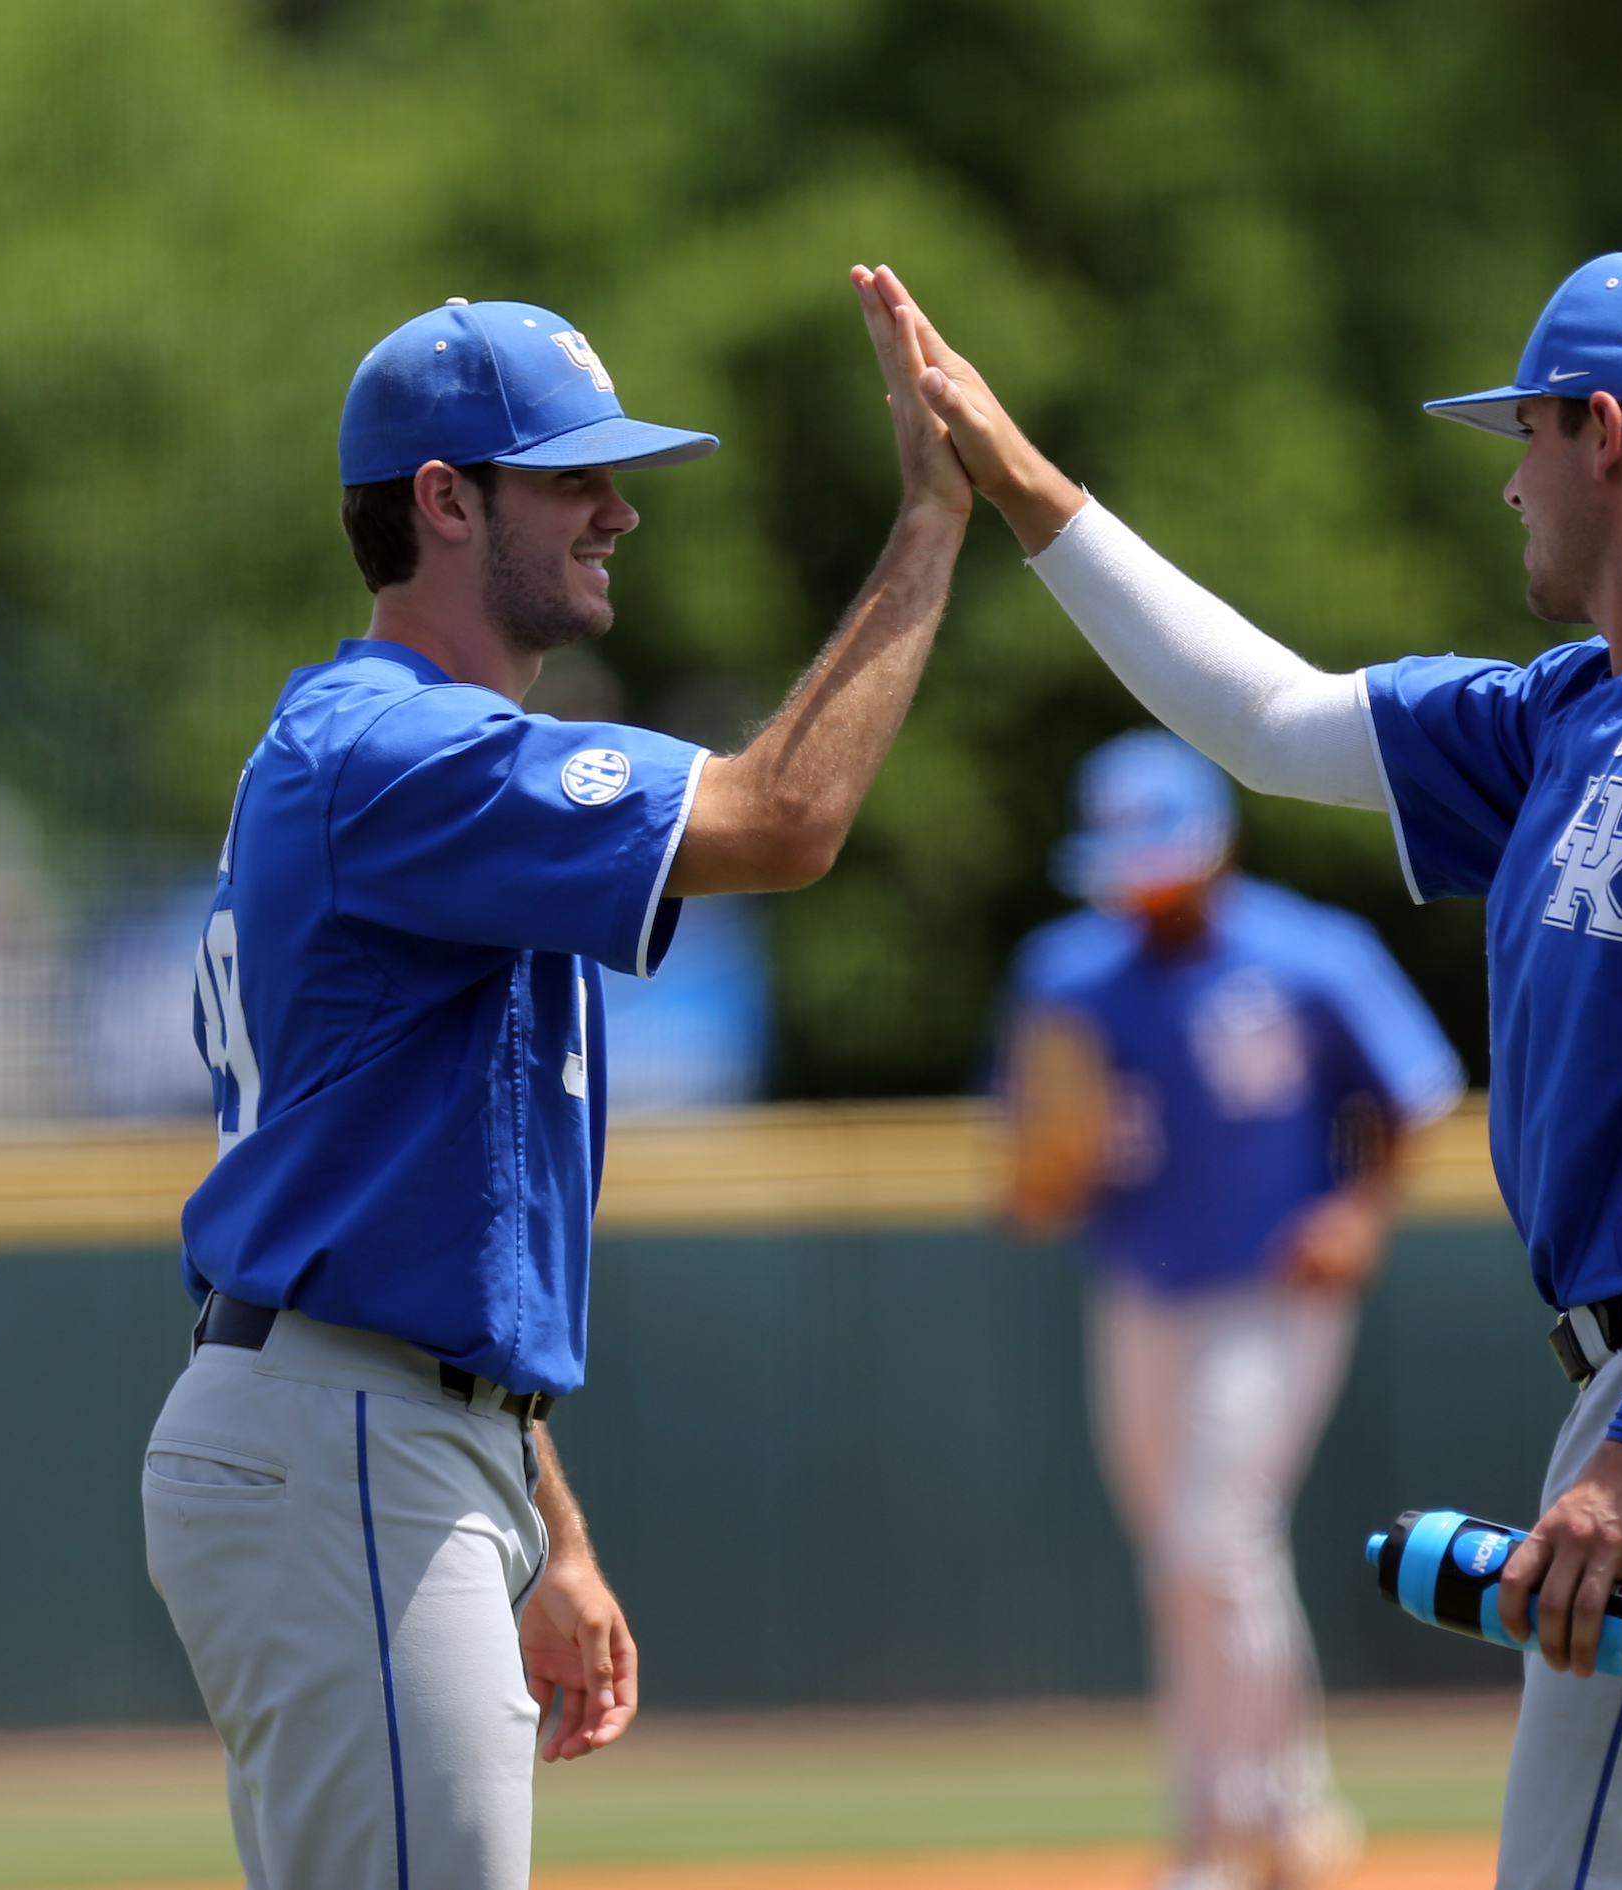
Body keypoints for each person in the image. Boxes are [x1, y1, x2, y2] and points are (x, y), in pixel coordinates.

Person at [868, 254, 1622, 1889]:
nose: (1508, 477)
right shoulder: (1578, 711)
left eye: (1526, 433)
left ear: (1604, 431)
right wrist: (1020, 482)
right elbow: (1265, 716)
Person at [142, 271, 971, 1890]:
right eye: (573, 475)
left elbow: (444, 1206)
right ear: (443, 501)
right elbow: (785, 818)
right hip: (346, 1438)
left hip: (390, 1427)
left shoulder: (420, 771)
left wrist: (548, 1519)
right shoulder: (390, 749)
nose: (618, 511)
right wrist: (933, 522)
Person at [1003, 729, 1462, 1890]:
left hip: (1273, 1288)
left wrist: (1361, 1210)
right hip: (1139, 1290)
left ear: (1213, 849)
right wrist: (1039, 1174)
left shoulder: (1309, 953)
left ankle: (1224, 1839)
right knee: (1192, 1563)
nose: (1141, 886)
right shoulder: (1067, 974)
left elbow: (1414, 1092)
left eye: (1158, 859)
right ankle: (1290, 1814)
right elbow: (1029, 1170)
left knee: (1212, 1545)